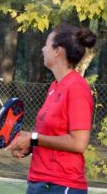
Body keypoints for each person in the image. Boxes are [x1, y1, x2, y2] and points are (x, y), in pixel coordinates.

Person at [8, 24, 96, 194]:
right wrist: (31, 145)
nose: (42, 49)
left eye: (47, 45)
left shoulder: (77, 87)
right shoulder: (55, 87)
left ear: (58, 51)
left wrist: (34, 138)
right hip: (40, 182)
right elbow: (52, 135)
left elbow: (79, 143)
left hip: (61, 185)